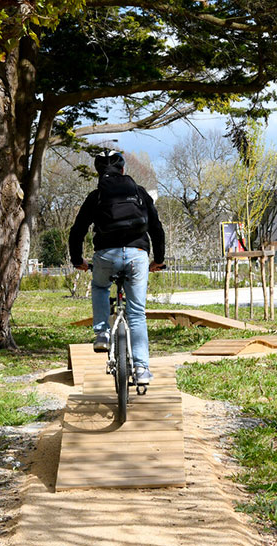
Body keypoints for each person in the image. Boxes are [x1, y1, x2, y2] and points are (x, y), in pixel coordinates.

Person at [70, 151, 166, 385]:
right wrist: (158, 259)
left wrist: (77, 260)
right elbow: (156, 228)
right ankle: (141, 369)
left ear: (99, 173)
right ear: (123, 170)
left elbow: (77, 230)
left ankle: (102, 333)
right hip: (137, 255)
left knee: (100, 287)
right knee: (137, 313)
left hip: (105, 256)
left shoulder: (96, 197)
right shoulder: (139, 193)